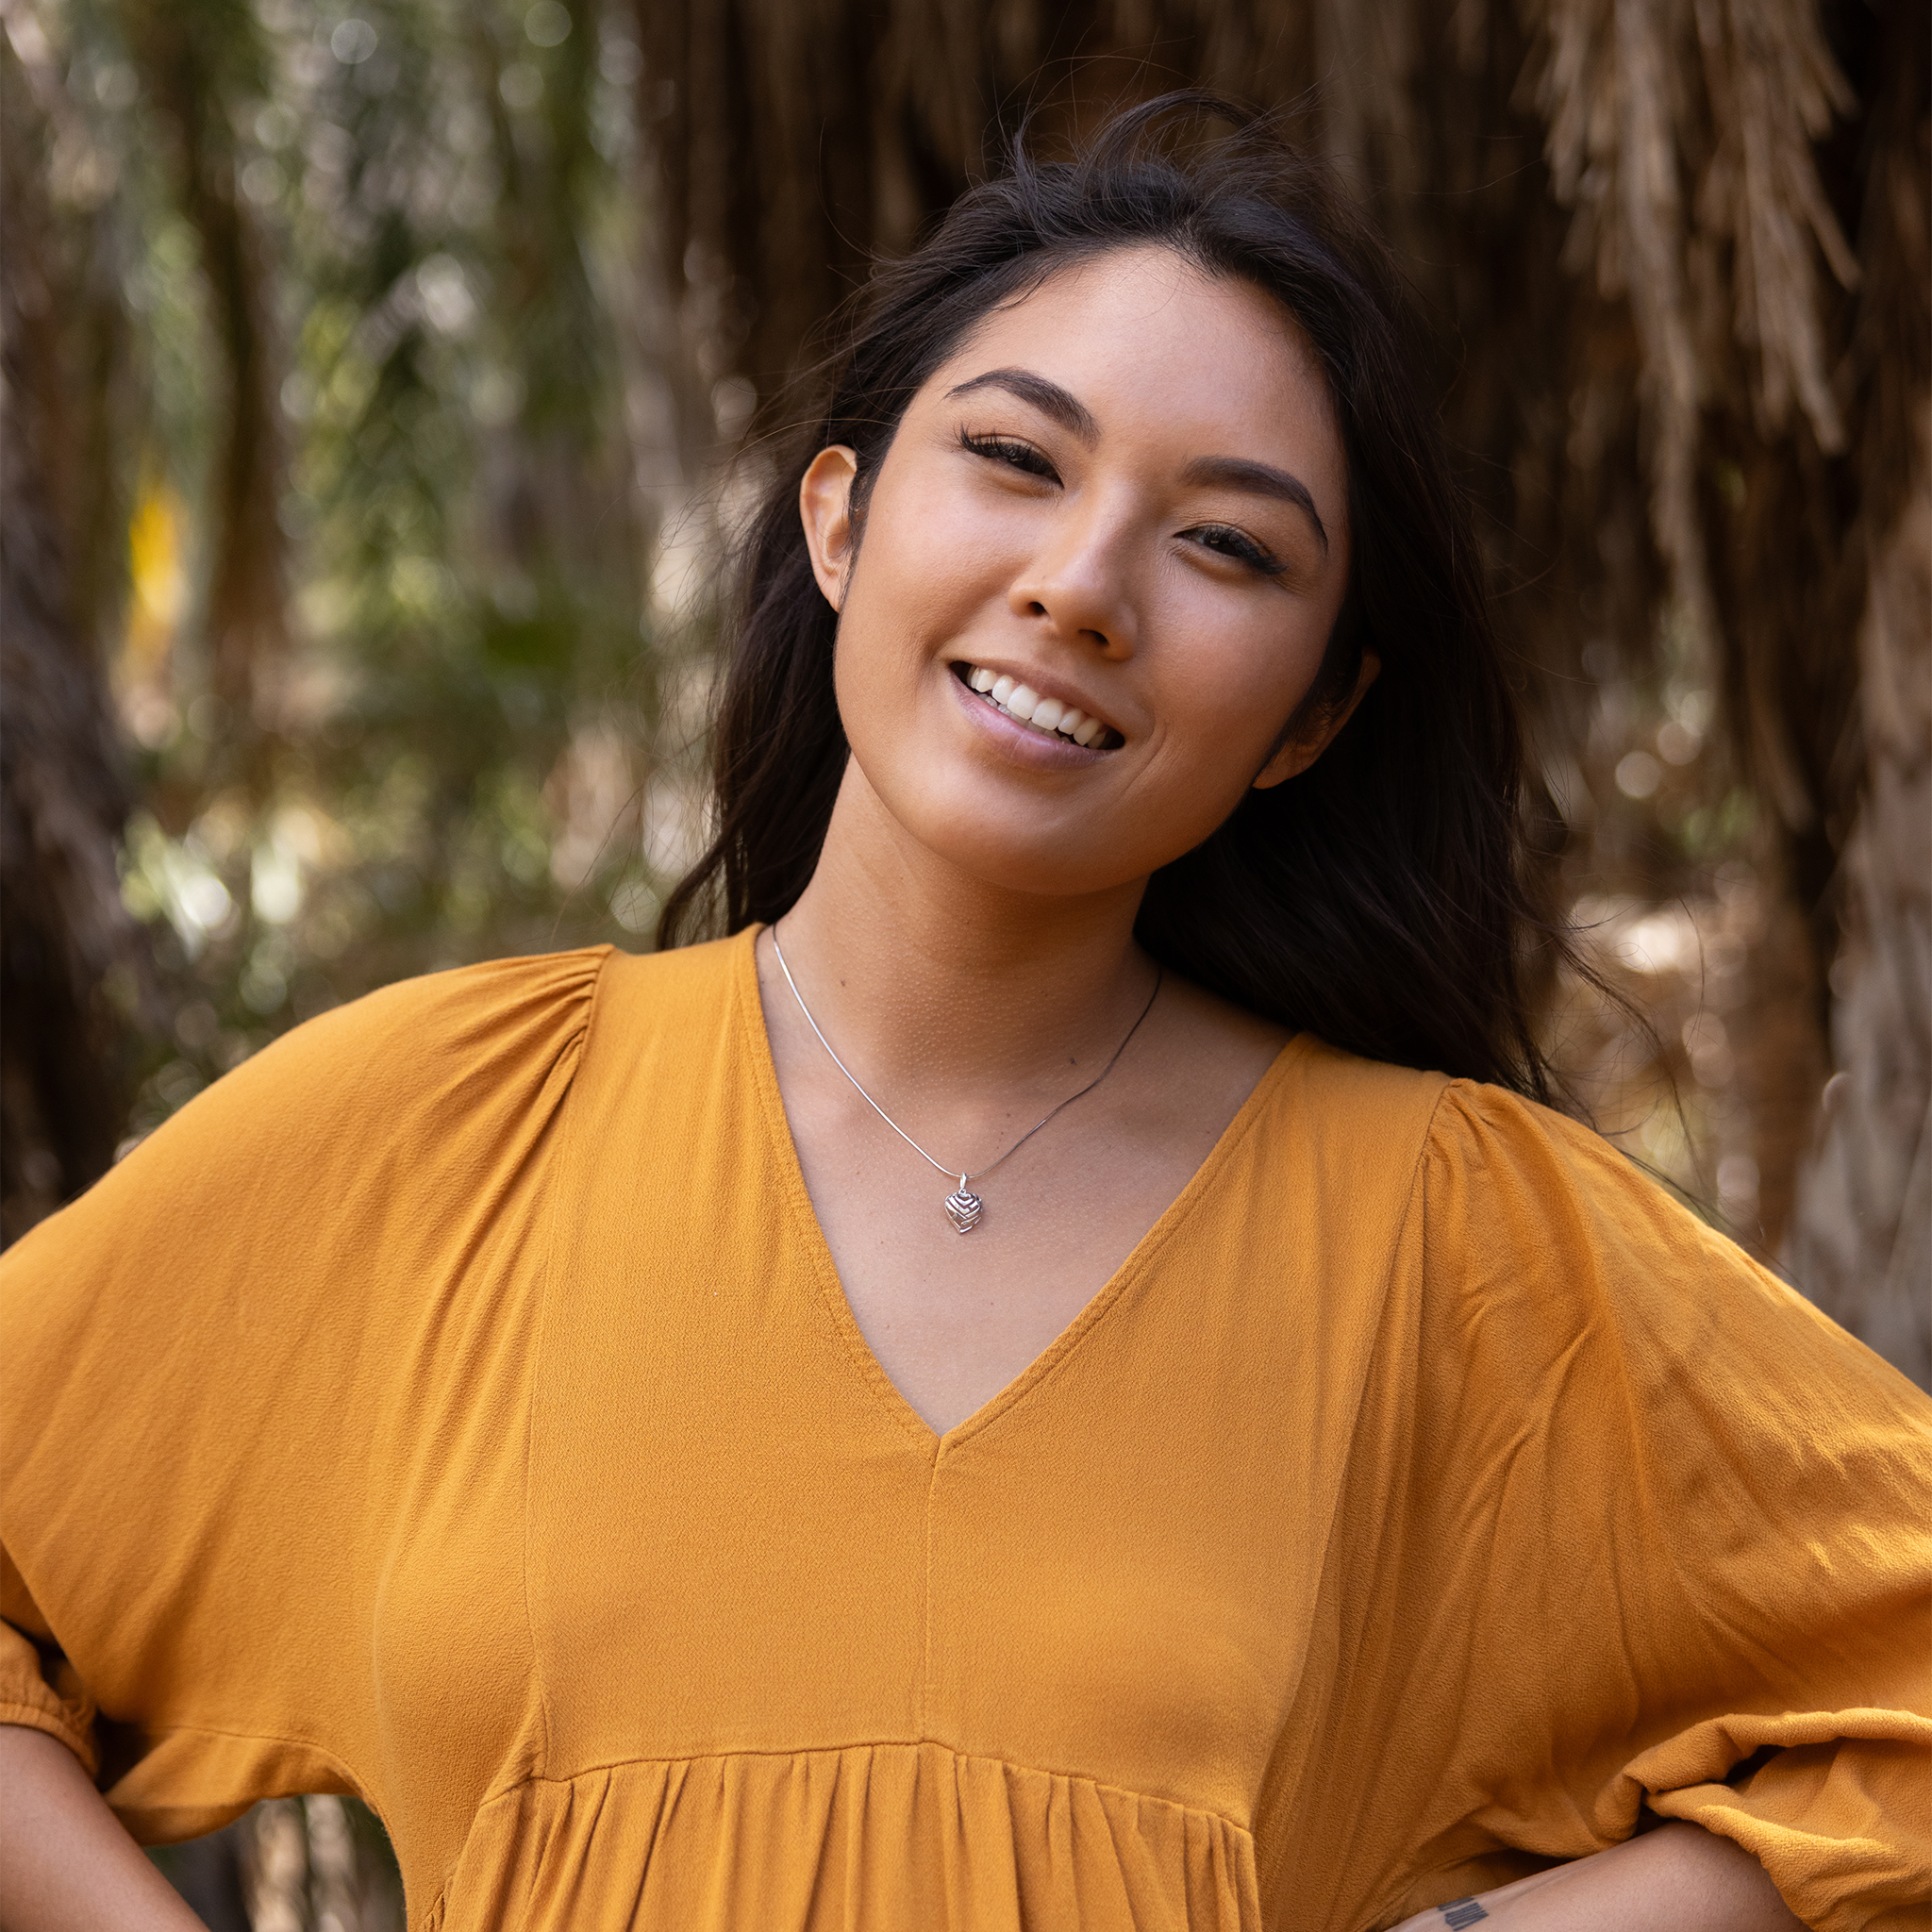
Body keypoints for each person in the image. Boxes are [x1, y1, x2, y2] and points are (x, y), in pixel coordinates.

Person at [0, 95, 1925, 1932]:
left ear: (1313, 716)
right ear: (837, 522)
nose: (1081, 586)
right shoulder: (462, 1130)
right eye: (1015, 458)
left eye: (1227, 545)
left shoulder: (1448, 1238)